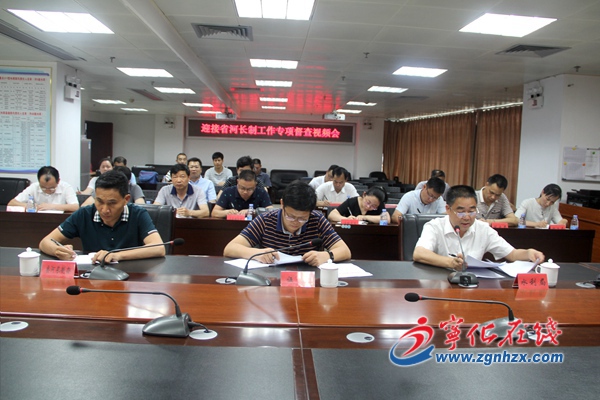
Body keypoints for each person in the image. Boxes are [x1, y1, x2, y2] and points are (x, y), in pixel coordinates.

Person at [39, 170, 165, 263]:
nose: (104, 210)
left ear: (126, 199)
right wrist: (58, 250)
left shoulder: (138, 214)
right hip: (92, 277)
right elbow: (45, 242)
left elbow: (158, 248)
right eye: (99, 201)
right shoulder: (84, 214)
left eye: (112, 203)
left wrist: (117, 255)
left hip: (130, 277)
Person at [413, 185, 545, 270]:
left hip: (472, 287)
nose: (467, 217)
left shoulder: (483, 229)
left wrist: (528, 253)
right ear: (448, 209)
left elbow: (512, 254)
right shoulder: (434, 226)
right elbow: (419, 253)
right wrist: (450, 263)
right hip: (439, 285)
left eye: (472, 211)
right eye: (461, 212)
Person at [223, 180, 351, 266]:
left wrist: (327, 256)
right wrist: (257, 254)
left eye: (302, 218)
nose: (295, 222)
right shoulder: (265, 220)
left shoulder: (317, 220)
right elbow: (230, 248)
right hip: (270, 282)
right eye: (290, 216)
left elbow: (345, 251)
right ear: (282, 204)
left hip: (308, 280)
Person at [9, 166, 79, 212]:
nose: (47, 190)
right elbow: (12, 203)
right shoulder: (34, 187)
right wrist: (31, 206)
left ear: (58, 181)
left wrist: (51, 206)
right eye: (43, 188)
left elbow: (75, 207)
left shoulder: (66, 187)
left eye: (51, 188)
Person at [81, 166, 145, 207]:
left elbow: (141, 206)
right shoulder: (104, 187)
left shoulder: (134, 188)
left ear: (128, 182)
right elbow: (84, 206)